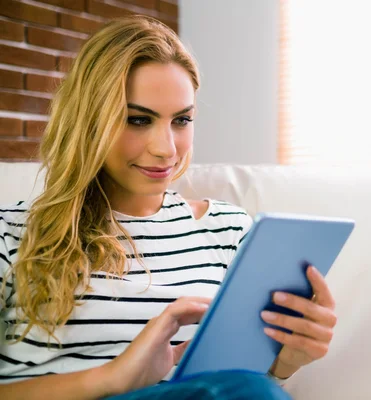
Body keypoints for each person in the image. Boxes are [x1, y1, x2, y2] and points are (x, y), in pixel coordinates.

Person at [0, 16, 337, 399]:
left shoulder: (228, 230)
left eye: (182, 120)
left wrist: (286, 359)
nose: (166, 148)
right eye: (138, 120)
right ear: (87, 123)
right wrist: (115, 377)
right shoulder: (11, 232)